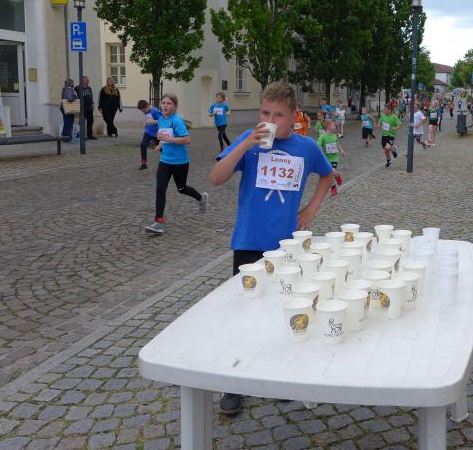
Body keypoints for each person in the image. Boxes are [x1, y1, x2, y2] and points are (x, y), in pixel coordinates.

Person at [209, 80, 334, 415]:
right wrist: (245, 144)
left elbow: (327, 175)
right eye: (265, 113)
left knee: (285, 308)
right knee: (243, 313)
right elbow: (216, 177)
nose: (270, 120)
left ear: (293, 117)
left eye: (278, 115)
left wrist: (309, 210)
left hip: (286, 246)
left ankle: (280, 376)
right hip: (249, 241)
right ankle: (234, 383)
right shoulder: (248, 142)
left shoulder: (306, 147)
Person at [144, 94, 208, 234]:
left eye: (169, 103)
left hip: (180, 162)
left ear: (175, 107)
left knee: (181, 188)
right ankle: (158, 222)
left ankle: (201, 197)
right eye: (163, 103)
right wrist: (160, 145)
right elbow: (164, 136)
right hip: (165, 161)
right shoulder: (161, 120)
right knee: (160, 189)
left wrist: (166, 139)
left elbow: (187, 140)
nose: (165, 105)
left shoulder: (177, 121)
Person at [317, 119, 346, 197]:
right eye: (333, 125)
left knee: (332, 171)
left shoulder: (334, 135)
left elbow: (336, 143)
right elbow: (318, 145)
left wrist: (341, 150)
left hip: (334, 157)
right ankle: (333, 187)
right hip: (326, 158)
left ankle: (337, 175)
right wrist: (319, 150)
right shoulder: (322, 137)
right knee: (328, 174)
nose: (335, 126)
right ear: (328, 126)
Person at [138, 100, 162, 170]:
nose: (144, 112)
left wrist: (153, 122)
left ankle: (167, 162)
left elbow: (162, 120)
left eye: (144, 110)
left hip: (157, 133)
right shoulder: (146, 111)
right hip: (148, 132)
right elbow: (148, 118)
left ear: (147, 106)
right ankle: (144, 164)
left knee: (162, 149)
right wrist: (146, 123)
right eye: (142, 111)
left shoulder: (155, 111)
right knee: (143, 145)